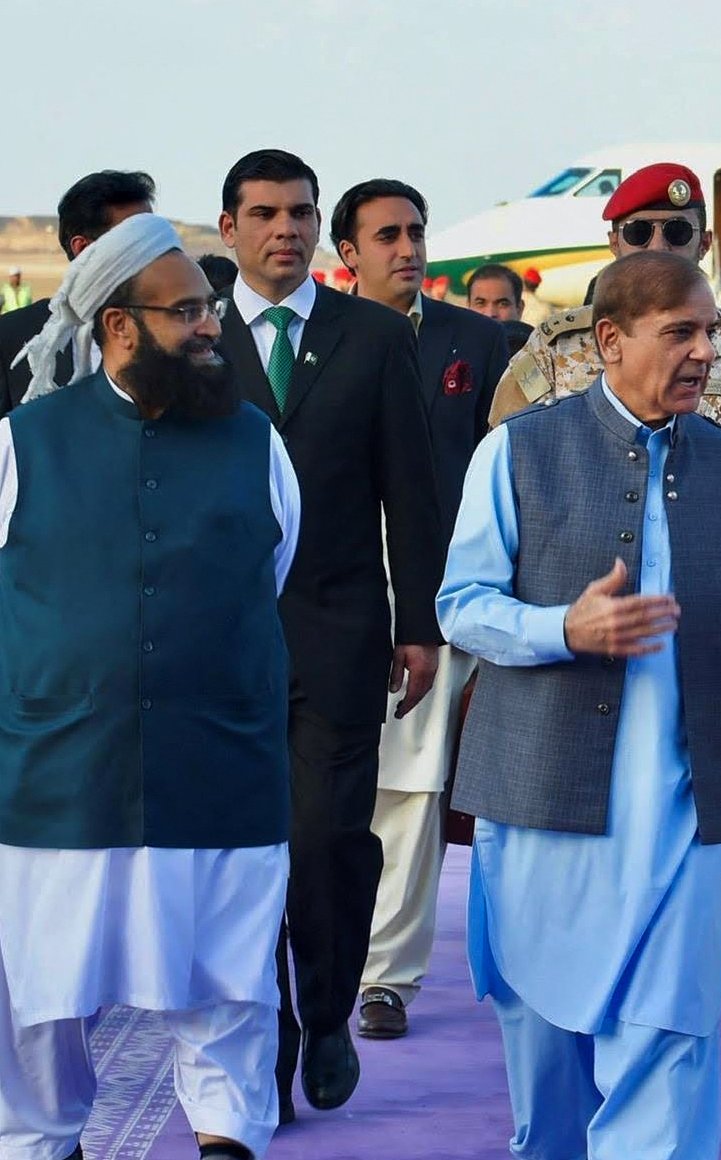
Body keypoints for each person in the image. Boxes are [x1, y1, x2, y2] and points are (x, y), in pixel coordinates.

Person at [442, 249, 721, 1159]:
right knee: (548, 1069)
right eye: (680, 332)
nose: (705, 351)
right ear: (610, 340)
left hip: (685, 814)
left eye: (708, 332)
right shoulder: (518, 450)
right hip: (544, 803)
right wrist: (564, 628)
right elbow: (462, 605)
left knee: (671, 1043)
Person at [0, 214, 299, 1160]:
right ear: (118, 326)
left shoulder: (256, 442)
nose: (212, 327)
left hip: (219, 765)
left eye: (211, 308)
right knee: (40, 998)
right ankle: (40, 1143)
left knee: (231, 986)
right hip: (60, 776)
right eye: (187, 313)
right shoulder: (22, 444)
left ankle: (227, 1138)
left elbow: (270, 569)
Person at [491, 163, 721, 896]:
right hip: (584, 633)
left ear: (703, 243)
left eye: (677, 232)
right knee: (574, 825)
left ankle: (719, 928)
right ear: (614, 241)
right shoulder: (558, 345)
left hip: (709, 630)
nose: (659, 244)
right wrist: (520, 626)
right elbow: (508, 479)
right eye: (640, 232)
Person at [215, 149, 445, 1119]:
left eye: (301, 213)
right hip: (216, 647)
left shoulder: (372, 335)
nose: (287, 229)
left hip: (341, 633)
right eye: (266, 214)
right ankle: (263, 1034)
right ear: (228, 228)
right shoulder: (194, 334)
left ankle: (324, 1012)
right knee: (238, 852)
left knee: (326, 840)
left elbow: (410, 486)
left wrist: (420, 622)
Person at [330, 178, 510, 1042]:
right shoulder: (318, 339)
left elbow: (502, 467)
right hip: (327, 595)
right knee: (328, 785)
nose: (407, 248)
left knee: (410, 788)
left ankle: (384, 977)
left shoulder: (475, 341)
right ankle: (315, 949)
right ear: (348, 254)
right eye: (386, 236)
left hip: (435, 595)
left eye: (415, 231)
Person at [0, 170, 155, 413]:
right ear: (83, 249)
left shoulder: (174, 330)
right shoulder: (11, 336)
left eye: (154, 238)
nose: (153, 252)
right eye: (134, 240)